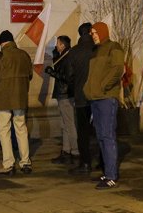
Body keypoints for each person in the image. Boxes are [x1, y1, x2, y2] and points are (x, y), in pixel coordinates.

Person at [84, 22, 124, 190]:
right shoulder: (96, 51)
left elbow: (117, 69)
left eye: (95, 32)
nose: (93, 35)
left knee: (107, 135)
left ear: (102, 31)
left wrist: (104, 86)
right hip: (95, 98)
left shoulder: (113, 47)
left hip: (107, 98)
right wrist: (88, 89)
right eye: (91, 33)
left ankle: (111, 176)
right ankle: (108, 172)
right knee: (101, 136)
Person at [0, 30, 33, 174]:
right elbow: (30, 75)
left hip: (3, 98)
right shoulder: (24, 55)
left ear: (1, 43)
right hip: (20, 96)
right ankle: (25, 162)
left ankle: (9, 164)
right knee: (21, 128)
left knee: (4, 130)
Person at [67, 22, 95, 176]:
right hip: (97, 95)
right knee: (100, 130)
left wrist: (75, 87)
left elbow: (69, 75)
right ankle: (103, 161)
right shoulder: (97, 49)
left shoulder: (75, 51)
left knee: (83, 132)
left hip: (81, 97)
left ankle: (85, 162)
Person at [45, 35, 76, 165]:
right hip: (62, 94)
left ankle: (75, 151)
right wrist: (54, 54)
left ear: (63, 45)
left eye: (57, 43)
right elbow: (58, 65)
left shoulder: (68, 57)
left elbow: (66, 77)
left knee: (69, 124)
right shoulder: (63, 55)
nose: (56, 45)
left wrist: (52, 73)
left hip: (66, 94)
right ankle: (66, 150)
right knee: (64, 124)